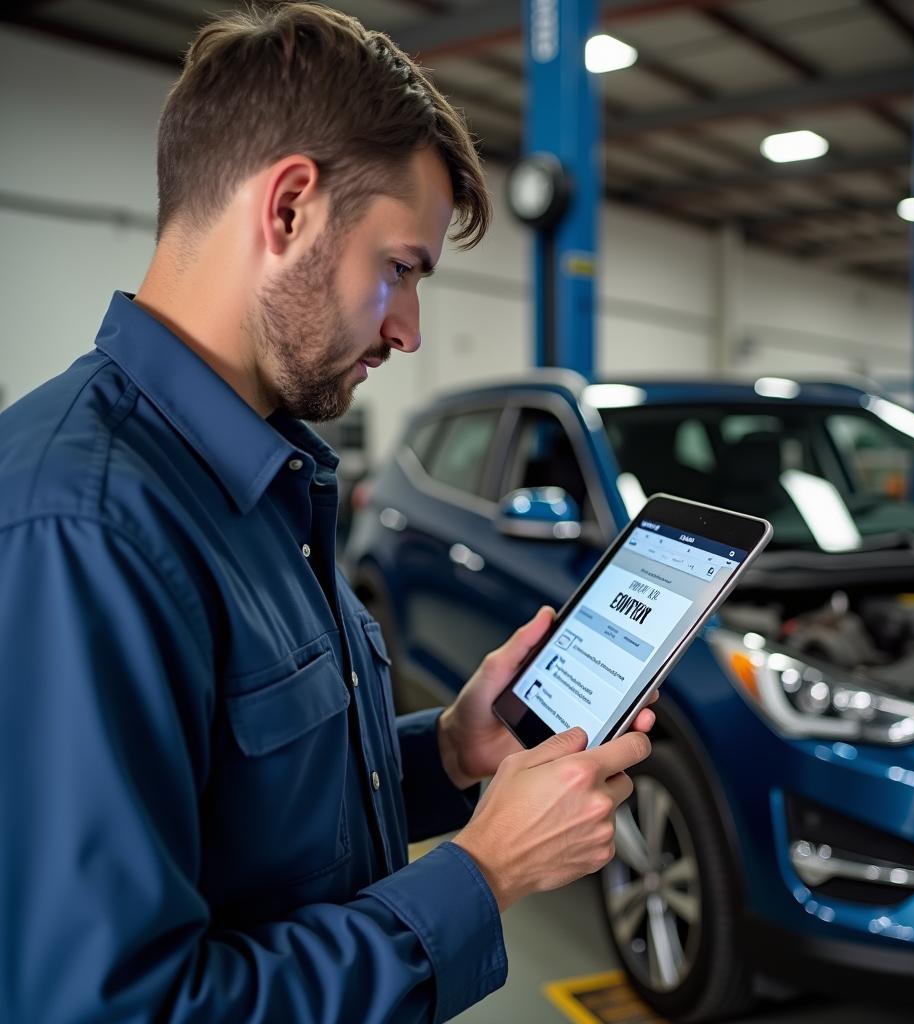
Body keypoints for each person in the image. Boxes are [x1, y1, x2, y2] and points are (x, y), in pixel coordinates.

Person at [0, 5, 656, 1021]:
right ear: (290, 207)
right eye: (398, 269)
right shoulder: (83, 529)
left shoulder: (260, 482)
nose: (408, 328)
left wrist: (445, 750)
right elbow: (120, 1006)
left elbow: (253, 815)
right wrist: (480, 876)